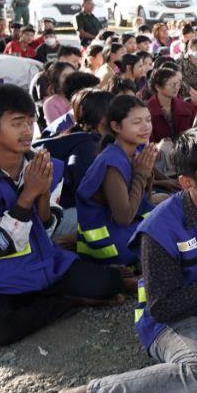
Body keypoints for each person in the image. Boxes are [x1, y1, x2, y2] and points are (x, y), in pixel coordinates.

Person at [26, 129, 197, 393]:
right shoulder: (160, 228)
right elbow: (164, 307)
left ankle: (170, 387)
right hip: (176, 321)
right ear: (187, 182)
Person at [0, 84, 125, 346]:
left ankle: (46, 295)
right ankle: (66, 301)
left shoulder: (45, 166)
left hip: (38, 265)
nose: (27, 130)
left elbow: (47, 228)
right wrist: (28, 195)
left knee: (108, 283)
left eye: (31, 121)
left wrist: (42, 195)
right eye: (17, 123)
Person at [74, 95, 158, 266]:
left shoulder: (135, 151)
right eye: (137, 122)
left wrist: (147, 176)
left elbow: (145, 202)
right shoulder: (112, 162)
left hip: (123, 230)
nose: (146, 127)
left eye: (148, 120)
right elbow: (124, 218)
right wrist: (141, 175)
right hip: (108, 242)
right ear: (116, 126)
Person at [147, 67, 197, 143]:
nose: (176, 88)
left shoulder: (187, 108)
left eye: (178, 84)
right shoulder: (147, 110)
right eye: (172, 84)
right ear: (158, 87)